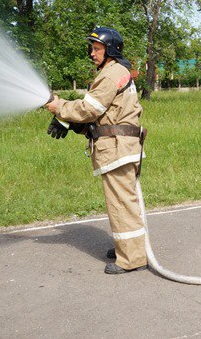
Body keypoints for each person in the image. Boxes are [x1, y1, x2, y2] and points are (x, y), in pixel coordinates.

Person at [45, 27, 147, 275]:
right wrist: (70, 122)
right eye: (92, 48)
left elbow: (90, 109)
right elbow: (104, 114)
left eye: (96, 48)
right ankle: (129, 247)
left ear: (110, 50)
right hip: (121, 146)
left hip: (117, 148)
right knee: (125, 201)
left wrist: (59, 107)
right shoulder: (116, 72)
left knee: (121, 204)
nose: (92, 53)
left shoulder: (112, 74)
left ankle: (131, 259)